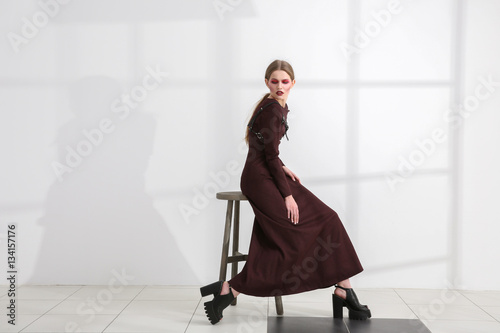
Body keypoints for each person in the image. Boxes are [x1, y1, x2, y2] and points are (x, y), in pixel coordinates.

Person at [200, 60, 371, 324]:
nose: (280, 86)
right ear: (267, 82)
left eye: (285, 81)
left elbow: (268, 152)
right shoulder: (272, 110)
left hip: (267, 174)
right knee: (289, 237)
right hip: (260, 179)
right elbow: (267, 156)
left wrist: (283, 166)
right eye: (274, 81)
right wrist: (288, 195)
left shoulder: (277, 107)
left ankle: (343, 288)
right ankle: (231, 288)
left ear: (293, 83)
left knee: (328, 218)